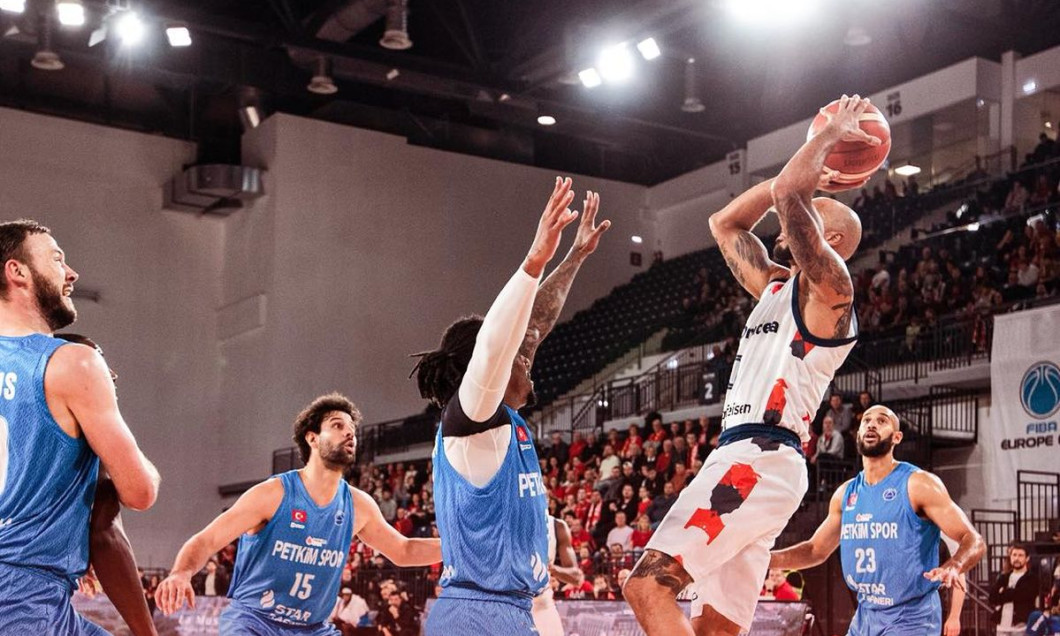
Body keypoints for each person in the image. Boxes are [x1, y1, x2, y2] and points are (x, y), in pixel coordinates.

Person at [625, 96, 875, 636]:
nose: (785, 226)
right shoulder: (776, 288)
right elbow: (723, 224)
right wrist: (795, 180)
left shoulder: (832, 292)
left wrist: (828, 136)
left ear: (830, 240)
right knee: (715, 629)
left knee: (645, 587)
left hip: (760, 457)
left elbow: (788, 197)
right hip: (750, 459)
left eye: (808, 214)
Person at [410, 177, 609, 636]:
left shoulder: (496, 418)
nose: (528, 359)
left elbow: (532, 325)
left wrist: (575, 256)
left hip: (515, 607)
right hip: (479, 612)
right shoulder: (471, 416)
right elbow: (495, 345)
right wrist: (534, 259)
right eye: (518, 357)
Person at [154, 393, 441, 634]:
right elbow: (206, 540)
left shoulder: (358, 505)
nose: (350, 433)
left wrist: (458, 547)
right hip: (254, 622)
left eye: (352, 428)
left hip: (312, 628)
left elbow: (403, 550)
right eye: (338, 425)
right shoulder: (273, 494)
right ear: (312, 438)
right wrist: (181, 573)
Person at [0, 219, 160, 634]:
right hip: (21, 598)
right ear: (17, 271)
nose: (71, 273)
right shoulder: (73, 362)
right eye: (57, 259)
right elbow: (140, 492)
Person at [769, 405, 985, 636]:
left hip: (912, 617)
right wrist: (764, 559)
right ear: (858, 434)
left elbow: (974, 540)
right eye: (866, 420)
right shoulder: (845, 494)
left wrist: (955, 565)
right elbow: (815, 550)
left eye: (882, 421)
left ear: (897, 437)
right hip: (866, 614)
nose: (872, 424)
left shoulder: (919, 484)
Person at [57, 332, 158, 636]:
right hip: (21, 595)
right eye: (99, 362)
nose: (112, 374)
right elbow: (108, 529)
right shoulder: (83, 435)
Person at [533, 515, 585, 636]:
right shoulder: (508, 522)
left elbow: (576, 578)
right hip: (512, 605)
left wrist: (552, 568)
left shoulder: (557, 526)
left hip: (542, 605)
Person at [990, 543, 1040, 634]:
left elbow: (1023, 596)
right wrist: (1013, 593)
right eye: (1014, 555)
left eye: (1020, 555)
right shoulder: (1003, 577)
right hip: (1002, 626)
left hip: (1021, 627)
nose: (1016, 558)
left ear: (1027, 558)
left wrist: (1003, 592)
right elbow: (992, 598)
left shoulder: (1032, 579)